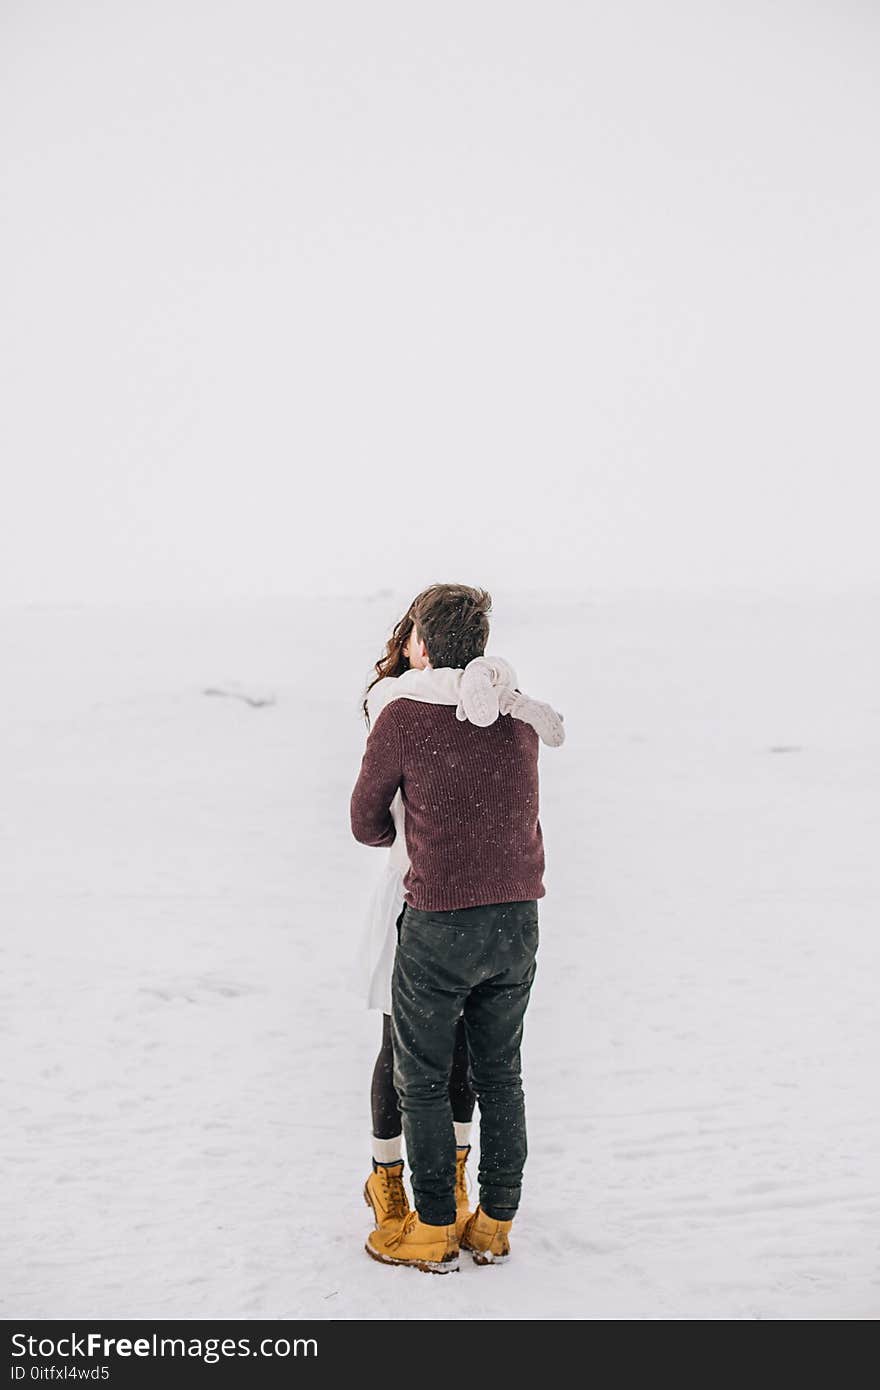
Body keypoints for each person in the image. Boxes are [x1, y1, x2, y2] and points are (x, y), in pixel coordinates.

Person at [350, 583, 564, 1274]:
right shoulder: (515, 712)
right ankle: (494, 1223)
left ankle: (434, 1226)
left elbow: (364, 820)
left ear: (420, 642)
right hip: (518, 918)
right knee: (502, 1076)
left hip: (441, 918)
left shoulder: (404, 715)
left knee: (422, 1075)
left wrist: (403, 833)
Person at [356, 599, 478, 1244]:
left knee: (458, 1046)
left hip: (458, 894)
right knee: (400, 1045)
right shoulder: (396, 705)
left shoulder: (485, 702)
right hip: (412, 893)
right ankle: (387, 1176)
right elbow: (369, 820)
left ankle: (453, 1175)